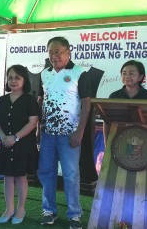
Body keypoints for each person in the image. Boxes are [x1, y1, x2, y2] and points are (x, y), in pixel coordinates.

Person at [37, 36, 91, 229]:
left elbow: (86, 104)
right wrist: (38, 128)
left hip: (69, 135)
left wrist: (80, 132)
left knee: (70, 175)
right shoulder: (44, 74)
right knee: (46, 172)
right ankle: (48, 211)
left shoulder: (79, 73)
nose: (54, 56)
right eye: (50, 52)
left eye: (58, 52)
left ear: (68, 52)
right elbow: (40, 101)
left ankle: (75, 215)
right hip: (48, 134)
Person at [0, 65, 39, 225]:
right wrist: (3, 136)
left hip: (23, 144)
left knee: (20, 176)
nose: (13, 81)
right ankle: (9, 209)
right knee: (8, 176)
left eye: (17, 77)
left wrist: (15, 137)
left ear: (24, 80)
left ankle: (21, 209)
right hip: (6, 143)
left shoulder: (30, 100)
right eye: (10, 77)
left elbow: (33, 123)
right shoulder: (2, 100)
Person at [104, 60, 147, 141]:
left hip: (143, 139)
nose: (127, 76)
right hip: (118, 139)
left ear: (140, 77)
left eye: (131, 73)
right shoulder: (114, 96)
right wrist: (106, 142)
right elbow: (107, 121)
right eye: (124, 73)